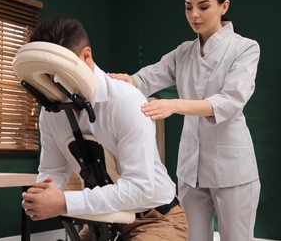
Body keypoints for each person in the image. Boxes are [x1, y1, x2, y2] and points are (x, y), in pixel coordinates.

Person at [109, 0, 261, 240]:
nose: (194, 15)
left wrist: (174, 105)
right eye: (188, 7)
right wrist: (128, 81)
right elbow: (147, 78)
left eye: (203, 7)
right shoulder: (184, 52)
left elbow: (230, 100)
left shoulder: (245, 48)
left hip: (232, 167)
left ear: (224, 6)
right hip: (191, 169)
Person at [20, 14, 188, 240]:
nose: (51, 82)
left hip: (155, 218)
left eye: (56, 74)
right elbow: (54, 169)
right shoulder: (52, 113)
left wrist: (64, 202)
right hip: (104, 218)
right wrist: (42, 193)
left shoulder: (125, 101)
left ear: (86, 55)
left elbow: (139, 188)